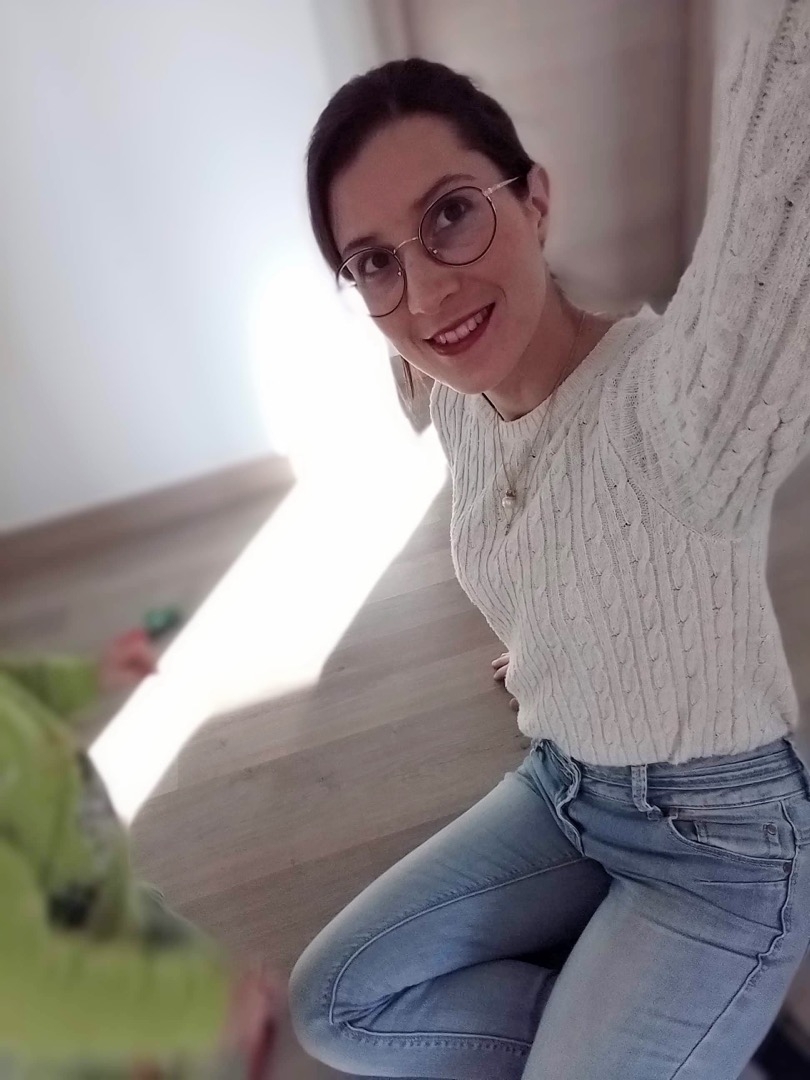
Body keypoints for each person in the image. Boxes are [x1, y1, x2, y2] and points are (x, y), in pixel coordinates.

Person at [287, 1, 810, 1078]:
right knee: (333, 1006)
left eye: (451, 214)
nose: (426, 292)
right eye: (373, 262)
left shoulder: (677, 410)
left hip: (719, 850)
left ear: (534, 199)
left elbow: (787, 174)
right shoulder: (451, 399)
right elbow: (547, 537)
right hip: (564, 791)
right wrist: (555, 644)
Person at [0, 632, 279, 1078]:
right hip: (61, 1021)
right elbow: (29, 995)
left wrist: (86, 678)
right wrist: (209, 1010)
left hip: (90, 894)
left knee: (170, 946)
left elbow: (14, 687)